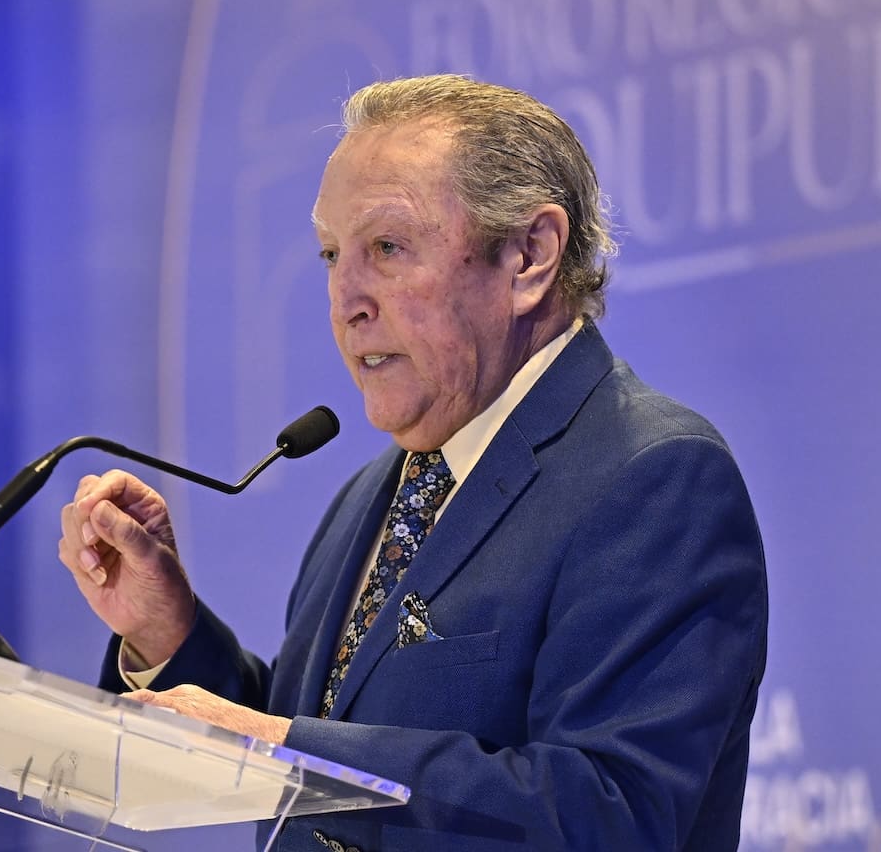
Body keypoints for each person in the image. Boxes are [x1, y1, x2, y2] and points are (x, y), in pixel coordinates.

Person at [58, 74, 768, 851]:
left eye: (387, 247)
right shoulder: (373, 494)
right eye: (332, 253)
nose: (344, 298)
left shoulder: (654, 477)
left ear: (529, 255)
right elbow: (322, 736)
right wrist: (170, 634)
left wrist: (284, 747)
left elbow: (610, 814)